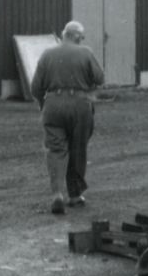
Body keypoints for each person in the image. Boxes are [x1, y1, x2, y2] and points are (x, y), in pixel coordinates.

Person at [30, 21, 105, 215]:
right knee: (77, 149)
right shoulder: (86, 53)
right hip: (80, 105)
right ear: (79, 37)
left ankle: (57, 194)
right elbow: (100, 78)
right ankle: (74, 195)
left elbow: (35, 88)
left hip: (53, 104)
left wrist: (44, 106)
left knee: (55, 150)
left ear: (63, 35)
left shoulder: (47, 54)